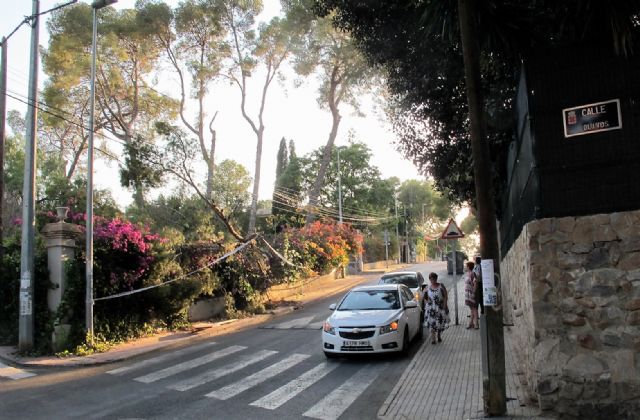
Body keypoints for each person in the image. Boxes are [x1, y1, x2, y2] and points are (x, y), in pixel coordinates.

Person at [423, 272, 449, 344]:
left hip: (439, 307)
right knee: (432, 323)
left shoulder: (441, 286)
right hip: (431, 309)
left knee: (439, 322)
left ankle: (439, 335)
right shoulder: (427, 287)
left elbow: (445, 296)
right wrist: (427, 302)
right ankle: (433, 339)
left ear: (436, 278)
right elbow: (424, 296)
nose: (433, 280)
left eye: (434, 278)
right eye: (431, 279)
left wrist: (445, 305)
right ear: (430, 279)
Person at [464, 261, 479, 329]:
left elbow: (475, 283)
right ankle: (471, 323)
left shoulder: (473, 274)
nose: (465, 267)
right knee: (472, 309)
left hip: (472, 294)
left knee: (474, 309)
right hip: (468, 294)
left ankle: (476, 324)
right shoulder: (468, 274)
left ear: (469, 267)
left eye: (466, 266)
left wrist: (473, 293)